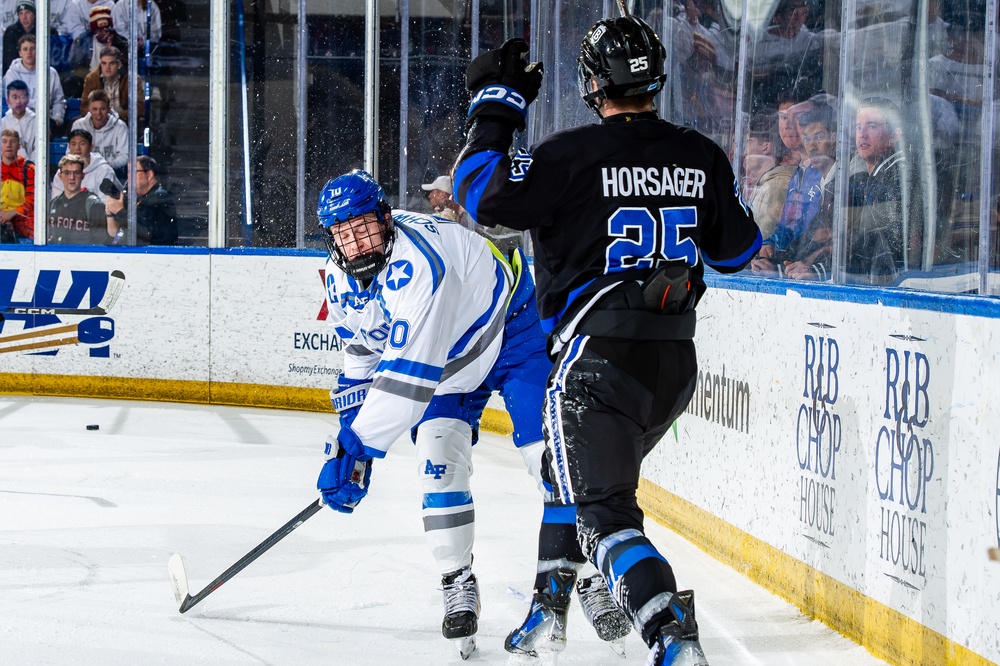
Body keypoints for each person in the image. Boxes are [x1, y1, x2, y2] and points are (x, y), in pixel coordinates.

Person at [454, 17, 760, 666]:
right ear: (657, 76)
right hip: (673, 368)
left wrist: (497, 109)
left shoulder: (568, 155)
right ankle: (547, 610)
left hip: (597, 363)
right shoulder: (701, 152)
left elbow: (479, 195)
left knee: (601, 511)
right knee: (571, 475)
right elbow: (738, 251)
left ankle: (670, 634)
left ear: (592, 84)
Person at [313, 169, 629, 660]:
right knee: (438, 467)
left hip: (512, 332)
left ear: (384, 217)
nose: (355, 241)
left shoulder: (419, 263)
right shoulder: (338, 279)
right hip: (449, 365)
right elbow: (360, 362)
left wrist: (358, 449)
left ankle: (583, 574)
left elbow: (406, 380)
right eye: (342, 232)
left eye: (363, 226)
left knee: (550, 460)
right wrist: (348, 442)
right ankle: (457, 581)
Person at [750, 103, 837, 278]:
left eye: (818, 137)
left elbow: (822, 240)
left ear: (834, 138)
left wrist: (784, 267)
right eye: (807, 138)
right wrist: (770, 246)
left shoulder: (840, 181)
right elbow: (787, 226)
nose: (812, 146)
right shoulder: (799, 174)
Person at [845, 97, 922, 284]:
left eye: (871, 126)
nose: (862, 135)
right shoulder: (868, 176)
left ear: (895, 135)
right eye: (858, 127)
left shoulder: (899, 176)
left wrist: (823, 267)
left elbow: (882, 242)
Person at [1, 34, 67, 135]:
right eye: (25, 49)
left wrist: (57, 117)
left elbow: (58, 101)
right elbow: (11, 103)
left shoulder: (50, 73)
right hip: (19, 120)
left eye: (32, 48)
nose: (29, 52)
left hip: (44, 121)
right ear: (20, 53)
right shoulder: (12, 74)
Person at [105, 155, 177, 245]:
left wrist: (120, 211)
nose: (129, 177)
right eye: (128, 173)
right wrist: (110, 213)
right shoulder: (138, 198)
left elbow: (144, 234)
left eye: (133, 172)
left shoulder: (160, 199)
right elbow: (115, 233)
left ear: (149, 175)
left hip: (156, 255)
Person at [48, 153, 117, 244]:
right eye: (67, 173)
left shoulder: (94, 205)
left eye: (76, 173)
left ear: (83, 176)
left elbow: (102, 244)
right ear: (60, 176)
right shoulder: (53, 204)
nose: (72, 177)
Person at [51, 128, 120, 203]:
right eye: (73, 144)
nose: (77, 148)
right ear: (69, 147)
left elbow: (107, 204)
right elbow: (56, 203)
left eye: (82, 144)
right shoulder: (62, 172)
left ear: (91, 147)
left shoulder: (104, 171)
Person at [80, 46, 144, 125]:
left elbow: (139, 107)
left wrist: (116, 116)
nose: (107, 67)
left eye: (112, 63)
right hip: (98, 122)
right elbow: (84, 107)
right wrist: (100, 116)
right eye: (104, 63)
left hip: (124, 122)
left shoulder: (132, 79)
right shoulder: (91, 79)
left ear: (119, 64)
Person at [72, 89, 128, 172]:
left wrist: (105, 167)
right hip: (84, 173)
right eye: (94, 109)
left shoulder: (120, 126)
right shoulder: (79, 125)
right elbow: (71, 153)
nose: (98, 113)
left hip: (111, 172)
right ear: (89, 109)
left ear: (109, 109)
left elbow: (125, 156)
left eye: (102, 109)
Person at [0, 128, 33, 241]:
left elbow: (33, 198)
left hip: (22, 219)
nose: (8, 145)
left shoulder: (29, 169)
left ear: (19, 146)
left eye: (12, 141)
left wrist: (14, 211)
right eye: (4, 141)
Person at [1, 79, 35, 160]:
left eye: (22, 97)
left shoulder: (36, 122)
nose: (18, 101)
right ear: (8, 100)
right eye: (14, 97)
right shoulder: (3, 123)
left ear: (28, 99)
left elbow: (38, 150)